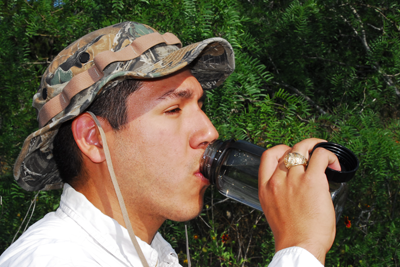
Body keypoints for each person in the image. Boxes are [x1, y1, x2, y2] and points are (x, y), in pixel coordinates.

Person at [0, 21, 340, 266]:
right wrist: (300, 247)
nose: (209, 132)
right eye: (174, 108)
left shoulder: (150, 255)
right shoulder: (51, 259)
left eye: (200, 106)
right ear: (94, 140)